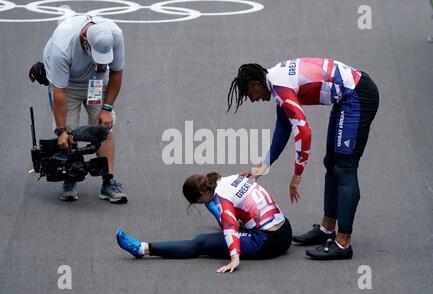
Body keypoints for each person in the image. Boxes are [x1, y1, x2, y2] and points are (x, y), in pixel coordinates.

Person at [226, 58, 379, 260]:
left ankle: (343, 243)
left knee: (344, 168)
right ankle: (327, 228)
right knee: (331, 163)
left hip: (358, 95)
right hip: (346, 97)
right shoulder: (276, 82)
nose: (252, 99)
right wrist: (263, 166)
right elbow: (283, 130)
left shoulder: (280, 86)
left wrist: (297, 174)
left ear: (256, 84)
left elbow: (304, 132)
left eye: (249, 94)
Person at [116, 172, 292, 273]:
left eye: (202, 202)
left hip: (268, 241)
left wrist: (234, 258)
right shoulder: (231, 179)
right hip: (285, 228)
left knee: (201, 242)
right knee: (229, 217)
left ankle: (142, 248)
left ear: (202, 192)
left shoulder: (222, 199)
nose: (205, 203)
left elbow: (230, 227)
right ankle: (223, 216)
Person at [41, 15, 127, 203]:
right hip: (67, 85)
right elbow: (60, 92)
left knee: (104, 128)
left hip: (96, 82)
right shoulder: (61, 47)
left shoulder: (115, 35)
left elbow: (117, 72)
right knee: (68, 132)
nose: (101, 61)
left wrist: (107, 108)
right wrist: (61, 130)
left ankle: (108, 182)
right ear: (85, 41)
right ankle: (70, 178)